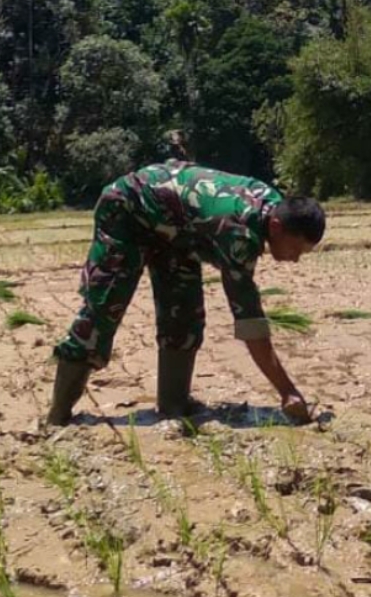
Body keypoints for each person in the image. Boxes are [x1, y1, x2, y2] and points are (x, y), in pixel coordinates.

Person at [47, 161, 325, 425]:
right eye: (296, 248)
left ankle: (173, 407)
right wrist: (287, 392)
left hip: (177, 229)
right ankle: (58, 417)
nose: (295, 258)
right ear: (277, 227)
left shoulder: (274, 205)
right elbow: (250, 323)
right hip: (129, 209)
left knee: (184, 315)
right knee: (104, 310)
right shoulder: (239, 234)